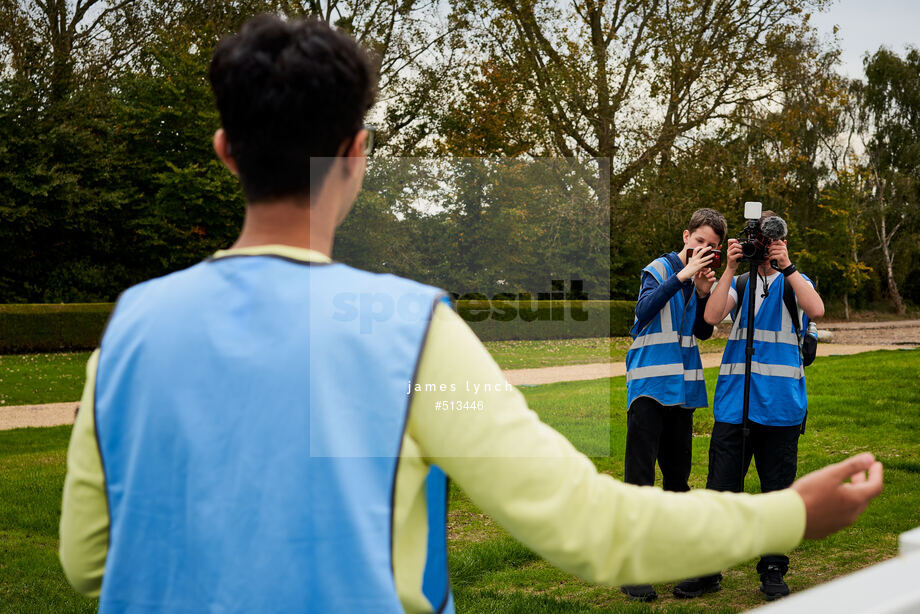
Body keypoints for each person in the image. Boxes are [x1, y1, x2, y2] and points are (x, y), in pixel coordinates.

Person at [59, 16, 883, 613]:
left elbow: (88, 562)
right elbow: (586, 522)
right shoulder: (408, 331)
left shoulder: (128, 330)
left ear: (225, 150)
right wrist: (790, 513)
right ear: (356, 154)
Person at [673, 211, 826, 602]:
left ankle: (773, 568)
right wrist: (729, 268)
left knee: (777, 493)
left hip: (780, 410)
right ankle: (708, 569)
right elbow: (710, 316)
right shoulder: (740, 282)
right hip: (734, 408)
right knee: (721, 491)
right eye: (757, 239)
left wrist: (786, 264)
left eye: (768, 240)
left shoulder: (794, 282)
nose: (762, 246)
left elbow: (817, 310)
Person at [620, 209, 724, 601]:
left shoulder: (697, 279)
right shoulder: (659, 269)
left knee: (678, 480)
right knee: (640, 480)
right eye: (699, 242)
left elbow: (701, 331)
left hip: (681, 391)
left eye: (711, 247)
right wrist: (682, 277)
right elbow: (644, 315)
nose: (704, 251)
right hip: (648, 386)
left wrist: (700, 292)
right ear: (686, 236)